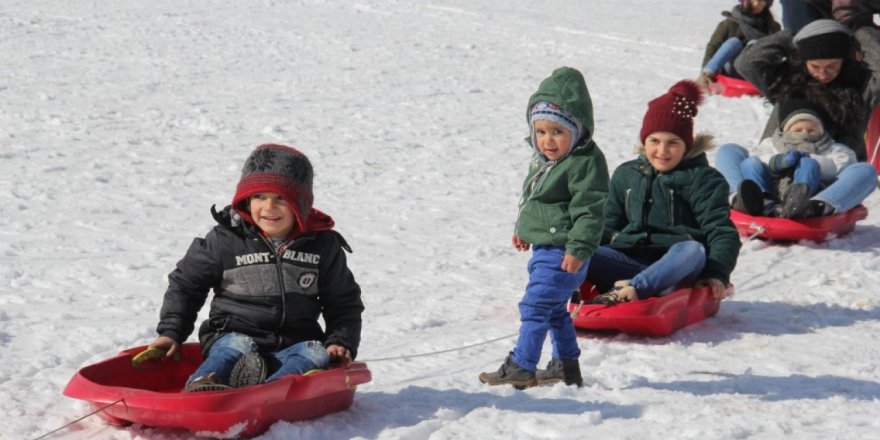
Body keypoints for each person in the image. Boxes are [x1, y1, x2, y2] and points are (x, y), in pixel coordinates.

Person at [145, 144, 364, 392]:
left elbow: (343, 300)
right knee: (236, 346)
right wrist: (171, 332)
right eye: (260, 196)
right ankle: (203, 384)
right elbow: (186, 285)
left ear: (300, 204)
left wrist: (339, 341)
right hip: (231, 336)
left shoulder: (321, 245)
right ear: (246, 199)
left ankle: (272, 390)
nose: (269, 207)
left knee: (315, 352)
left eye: (281, 198)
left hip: (295, 343)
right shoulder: (225, 240)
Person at [479, 67, 609, 389]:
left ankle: (523, 365)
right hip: (546, 247)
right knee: (552, 309)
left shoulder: (584, 163)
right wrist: (525, 230)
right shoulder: (546, 160)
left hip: (565, 252)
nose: (547, 140)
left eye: (557, 131)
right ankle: (566, 365)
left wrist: (578, 250)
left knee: (535, 305)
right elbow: (536, 200)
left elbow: (590, 212)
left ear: (577, 130)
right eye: (540, 131)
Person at [586, 80, 741, 306]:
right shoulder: (626, 174)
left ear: (686, 144)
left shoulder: (704, 179)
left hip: (679, 268)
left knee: (692, 249)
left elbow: (721, 232)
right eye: (654, 141)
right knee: (574, 250)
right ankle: (568, 292)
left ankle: (633, 291)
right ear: (644, 141)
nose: (662, 151)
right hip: (629, 260)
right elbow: (608, 224)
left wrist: (717, 273)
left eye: (673, 143)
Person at [735, 18, 880, 161]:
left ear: (844, 61)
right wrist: (790, 39)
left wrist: (862, 37)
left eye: (832, 66)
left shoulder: (861, 85)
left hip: (840, 170)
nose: (823, 74)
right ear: (804, 61)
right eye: (815, 67)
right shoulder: (787, 82)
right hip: (781, 163)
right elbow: (746, 63)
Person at [717, 98, 867, 219]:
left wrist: (807, 158)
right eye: (798, 129)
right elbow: (754, 160)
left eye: (811, 130)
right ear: (786, 130)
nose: (804, 133)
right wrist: (779, 161)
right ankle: (753, 200)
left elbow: (841, 169)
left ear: (821, 131)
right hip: (770, 189)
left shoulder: (833, 148)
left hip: (811, 194)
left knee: (811, 164)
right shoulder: (771, 144)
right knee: (744, 160)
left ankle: (807, 205)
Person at [699, 0, 781, 90]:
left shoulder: (772, 27)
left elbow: (777, 52)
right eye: (753, 0)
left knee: (754, 43)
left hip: (755, 74)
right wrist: (705, 67)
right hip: (730, 71)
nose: (757, 4)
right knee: (734, 42)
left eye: (761, 1)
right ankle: (706, 76)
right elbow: (713, 46)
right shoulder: (730, 23)